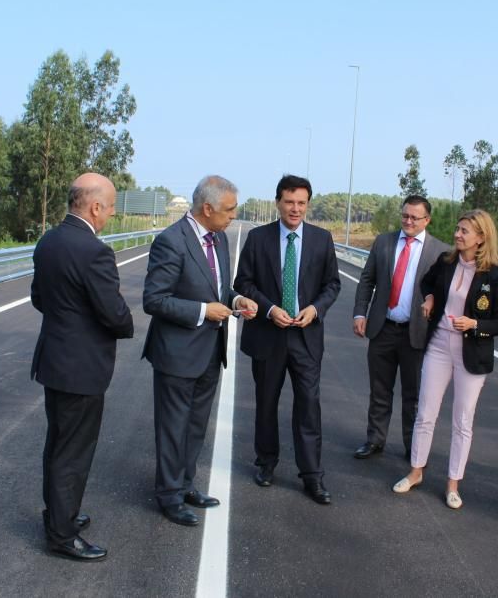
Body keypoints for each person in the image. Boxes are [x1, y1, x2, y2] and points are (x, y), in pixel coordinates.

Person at [142, 175, 258, 527]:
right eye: (229, 210)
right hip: (177, 353)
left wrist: (236, 299)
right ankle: (168, 495)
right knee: (173, 426)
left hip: (210, 350)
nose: (233, 216)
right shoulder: (170, 242)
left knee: (195, 426)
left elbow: (219, 289)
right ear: (207, 209)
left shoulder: (219, 239)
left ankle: (185, 484)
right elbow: (154, 299)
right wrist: (202, 311)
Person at [31, 173, 134, 561]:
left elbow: (39, 298)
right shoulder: (94, 251)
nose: (109, 214)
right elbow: (114, 313)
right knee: (73, 453)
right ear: (94, 207)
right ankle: (61, 534)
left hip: (54, 360)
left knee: (58, 445)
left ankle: (59, 515)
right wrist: (125, 325)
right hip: (82, 368)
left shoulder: (49, 240)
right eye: (109, 207)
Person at [234, 175, 341, 504]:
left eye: (301, 203)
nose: (295, 209)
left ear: (308, 204)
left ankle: (312, 475)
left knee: (309, 406)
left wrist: (315, 309)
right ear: (278, 202)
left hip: (306, 337)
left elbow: (332, 285)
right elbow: (243, 282)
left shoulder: (322, 240)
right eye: (289, 202)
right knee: (266, 403)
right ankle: (266, 462)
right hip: (269, 335)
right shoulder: (257, 238)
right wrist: (268, 310)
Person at [393, 209, 498, 509]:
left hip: (472, 352)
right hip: (440, 345)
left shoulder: (495, 275)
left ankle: (453, 483)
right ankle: (416, 471)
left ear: (481, 238)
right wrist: (430, 298)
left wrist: (474, 325)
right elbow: (426, 284)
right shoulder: (446, 262)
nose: (457, 235)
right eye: (457, 229)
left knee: (462, 421)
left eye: (464, 231)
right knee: (425, 412)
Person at [352, 195, 449, 460]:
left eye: (414, 217)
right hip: (382, 328)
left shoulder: (441, 252)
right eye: (405, 215)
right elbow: (367, 279)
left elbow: (445, 295)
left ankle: (413, 448)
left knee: (414, 395)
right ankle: (375, 440)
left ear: (427, 220)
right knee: (379, 390)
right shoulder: (384, 242)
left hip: (416, 334)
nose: (408, 221)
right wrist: (361, 312)